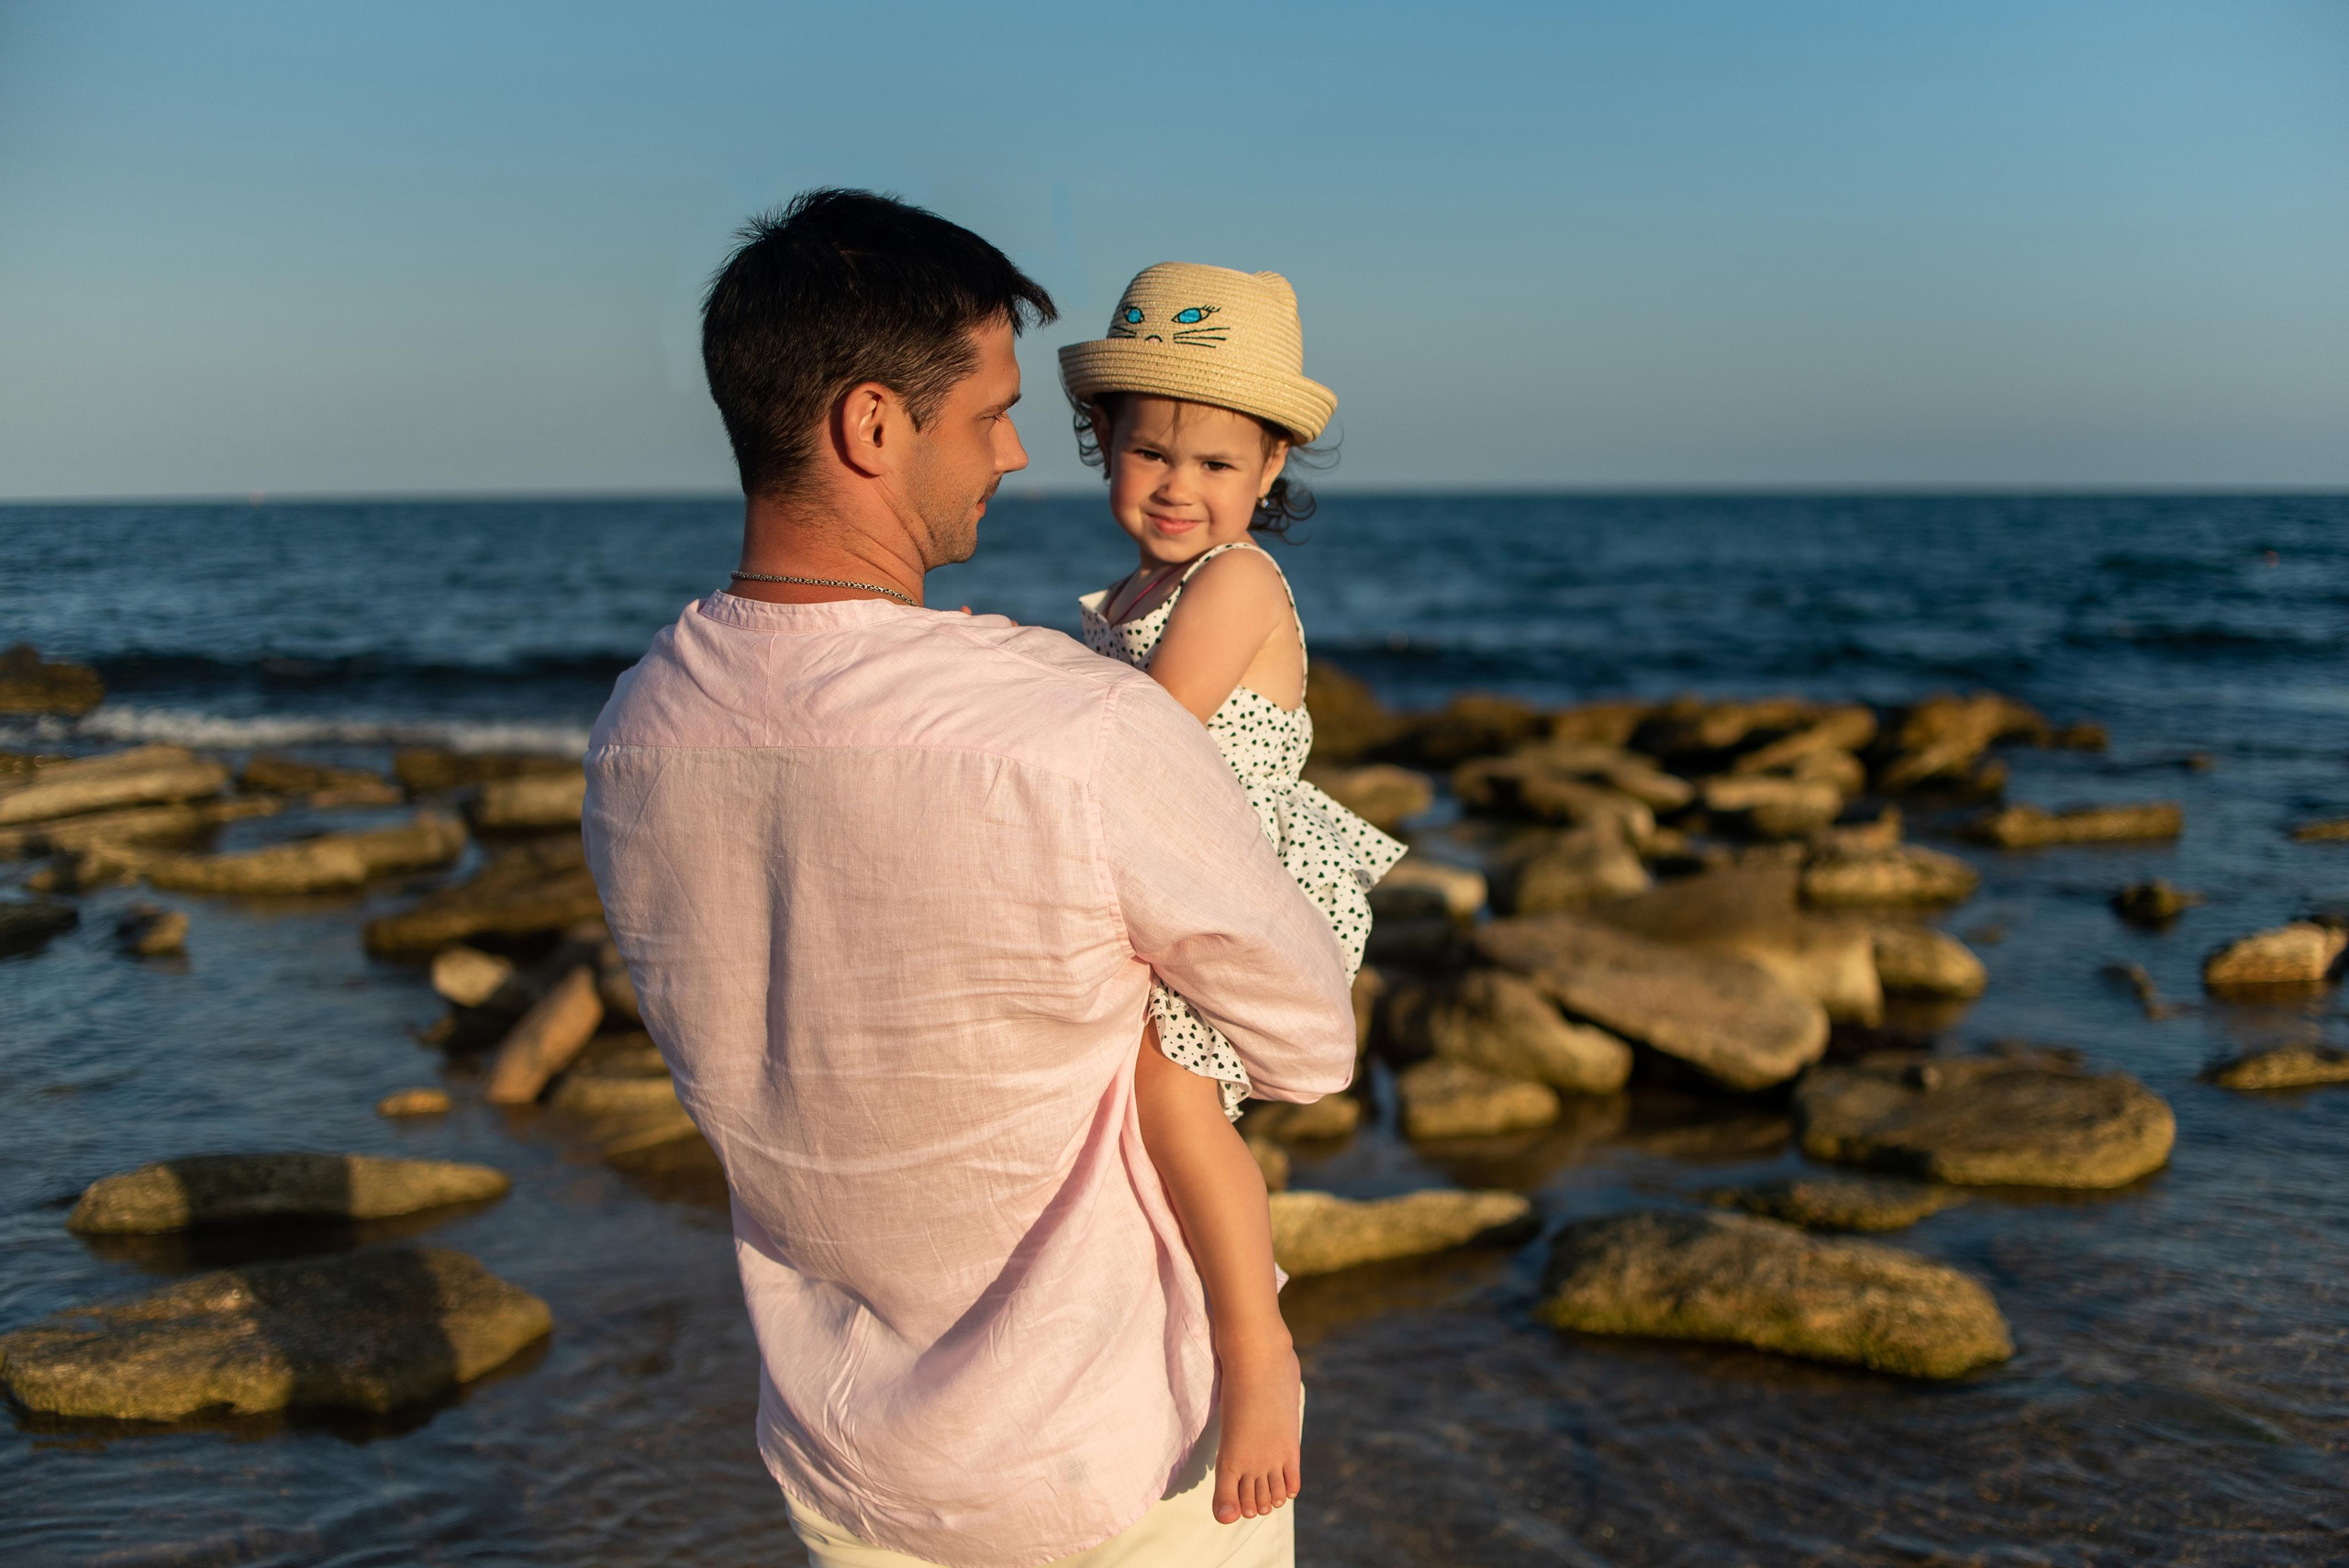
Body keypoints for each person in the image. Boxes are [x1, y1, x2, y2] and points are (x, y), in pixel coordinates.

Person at [581, 188, 1358, 1568]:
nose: (1013, 452)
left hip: (848, 1460)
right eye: (993, 412)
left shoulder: (635, 734)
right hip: (1118, 1463)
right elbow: (1307, 1039)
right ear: (873, 426)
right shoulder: (1071, 733)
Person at [1058, 262, 1406, 1527]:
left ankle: (1259, 1353)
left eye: (1213, 464)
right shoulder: (1140, 593)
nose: (1175, 485)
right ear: (1104, 445)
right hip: (1157, 867)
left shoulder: (1237, 582)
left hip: (1224, 883)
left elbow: (1142, 735)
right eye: (1148, 452)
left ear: (1268, 474)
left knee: (1171, 1090)